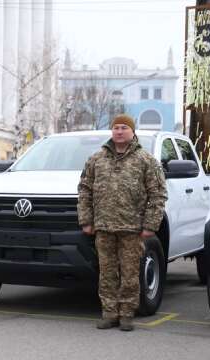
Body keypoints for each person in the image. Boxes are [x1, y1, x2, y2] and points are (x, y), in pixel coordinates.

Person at [77, 114, 167, 331]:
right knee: (107, 273)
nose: (119, 131)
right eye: (116, 128)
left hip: (132, 229)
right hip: (104, 227)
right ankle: (109, 313)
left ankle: (126, 314)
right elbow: (84, 190)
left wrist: (150, 226)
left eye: (124, 128)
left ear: (132, 132)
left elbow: (158, 194)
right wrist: (86, 220)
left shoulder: (145, 160)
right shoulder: (96, 159)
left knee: (129, 274)